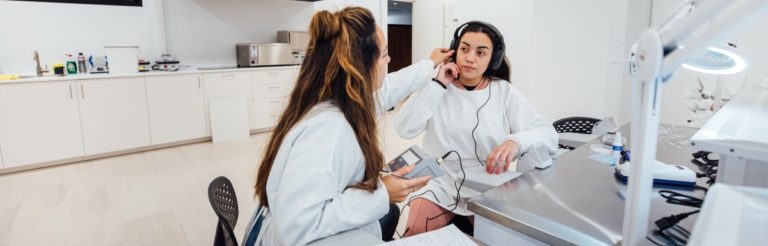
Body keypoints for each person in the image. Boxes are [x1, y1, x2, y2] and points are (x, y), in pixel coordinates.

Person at [242, 7, 455, 246]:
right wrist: (382, 193)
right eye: (384, 54)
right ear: (362, 65)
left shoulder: (339, 100)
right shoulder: (329, 130)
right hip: (295, 238)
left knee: (388, 215)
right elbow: (297, 226)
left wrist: (430, 65)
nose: (390, 60)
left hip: (301, 228)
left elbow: (390, 88)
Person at [394, 21, 558, 236]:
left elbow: (548, 134)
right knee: (415, 233)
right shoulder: (437, 86)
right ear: (455, 50)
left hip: (488, 184)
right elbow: (404, 129)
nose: (470, 58)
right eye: (464, 49)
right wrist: (437, 85)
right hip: (440, 183)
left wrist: (515, 141)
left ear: (494, 59)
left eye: (481, 53)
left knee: (501, 238)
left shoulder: (504, 92)